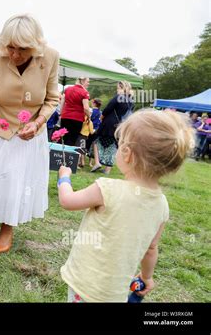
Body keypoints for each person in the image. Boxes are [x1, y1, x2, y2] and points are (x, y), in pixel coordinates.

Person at [57, 109, 194, 302]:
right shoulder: (162, 205)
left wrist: (64, 178)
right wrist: (146, 277)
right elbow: (151, 248)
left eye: (119, 144)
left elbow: (67, 201)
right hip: (115, 293)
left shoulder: (107, 188)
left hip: (86, 286)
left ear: (127, 154)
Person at [0, 14, 60, 254]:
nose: (15, 54)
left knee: (15, 180)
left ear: (35, 46)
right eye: (10, 47)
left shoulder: (50, 57)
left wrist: (39, 122)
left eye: (22, 49)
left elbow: (52, 99)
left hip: (29, 131)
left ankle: (7, 228)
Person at [91, 81, 134, 174]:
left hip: (109, 123)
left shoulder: (118, 97)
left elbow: (108, 108)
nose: (117, 89)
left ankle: (97, 162)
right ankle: (107, 169)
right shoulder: (131, 100)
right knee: (113, 146)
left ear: (122, 88)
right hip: (120, 125)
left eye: (118, 88)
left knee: (96, 141)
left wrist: (101, 117)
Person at [60, 77, 91, 146]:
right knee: (72, 140)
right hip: (77, 119)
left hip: (65, 117)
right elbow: (86, 108)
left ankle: (60, 155)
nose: (88, 84)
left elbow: (62, 102)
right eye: (87, 82)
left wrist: (61, 113)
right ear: (82, 81)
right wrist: (89, 116)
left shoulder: (67, 89)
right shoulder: (84, 92)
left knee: (63, 138)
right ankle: (68, 156)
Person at [87, 99, 102, 167]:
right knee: (93, 147)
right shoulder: (100, 112)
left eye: (92, 102)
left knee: (87, 145)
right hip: (97, 130)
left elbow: (90, 119)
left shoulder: (92, 111)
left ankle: (82, 161)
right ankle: (90, 162)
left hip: (91, 130)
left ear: (94, 104)